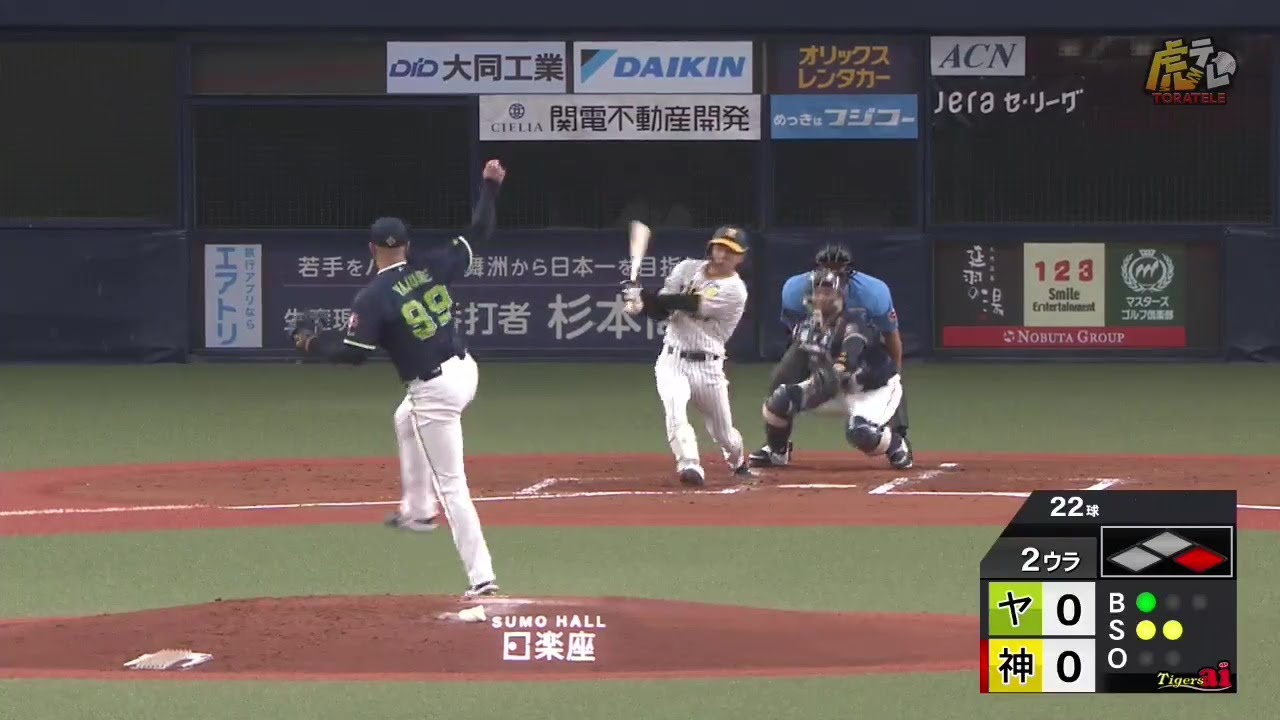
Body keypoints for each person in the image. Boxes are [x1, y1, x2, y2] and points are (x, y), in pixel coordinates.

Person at [290, 159, 507, 600]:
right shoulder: (432, 265)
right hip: (465, 369)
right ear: (407, 245)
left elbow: (353, 354)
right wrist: (490, 186)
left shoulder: (372, 296)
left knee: (453, 484)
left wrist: (311, 344)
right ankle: (418, 511)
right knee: (404, 420)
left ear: (371, 249)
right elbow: (481, 230)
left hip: (436, 391)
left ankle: (482, 577)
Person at [748, 243, 911, 469]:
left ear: (840, 296)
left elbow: (849, 357)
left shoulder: (854, 322)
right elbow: (798, 362)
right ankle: (778, 451)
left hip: (870, 388)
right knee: (780, 400)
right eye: (818, 292)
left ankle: (895, 443)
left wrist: (833, 372)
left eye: (828, 293)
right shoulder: (807, 327)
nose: (822, 298)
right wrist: (807, 383)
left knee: (860, 432)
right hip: (834, 387)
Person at [623, 226, 755, 487]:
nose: (722, 255)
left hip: (708, 366)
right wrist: (642, 305)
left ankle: (738, 460)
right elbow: (663, 310)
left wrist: (645, 296)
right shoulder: (686, 269)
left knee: (723, 433)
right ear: (710, 247)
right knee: (675, 410)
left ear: (741, 257)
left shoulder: (734, 290)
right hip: (672, 359)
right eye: (719, 247)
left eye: (730, 251)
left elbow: (689, 303)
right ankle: (689, 464)